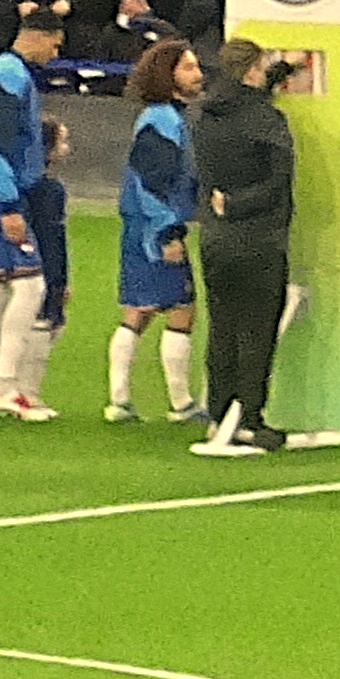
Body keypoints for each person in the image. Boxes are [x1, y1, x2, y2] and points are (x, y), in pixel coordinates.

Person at [188, 36, 301, 454]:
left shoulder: (207, 115)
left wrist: (279, 71)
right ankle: (249, 418)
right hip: (259, 237)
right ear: (253, 70)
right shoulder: (267, 121)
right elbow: (278, 182)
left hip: (216, 237)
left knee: (222, 327)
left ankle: (219, 413)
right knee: (257, 332)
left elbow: (244, 99)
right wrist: (239, 204)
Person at [0, 23, 64, 420]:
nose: (55, 53)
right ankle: (6, 388)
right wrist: (7, 206)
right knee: (30, 283)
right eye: (54, 44)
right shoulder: (8, 75)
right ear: (37, 35)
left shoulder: (4, 72)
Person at [109, 34, 201, 425]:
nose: (198, 74)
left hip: (139, 226)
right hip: (155, 228)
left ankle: (119, 400)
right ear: (168, 74)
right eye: (189, 67)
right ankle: (181, 403)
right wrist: (167, 232)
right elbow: (152, 180)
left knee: (139, 309)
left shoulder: (159, 117)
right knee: (181, 309)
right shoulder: (163, 119)